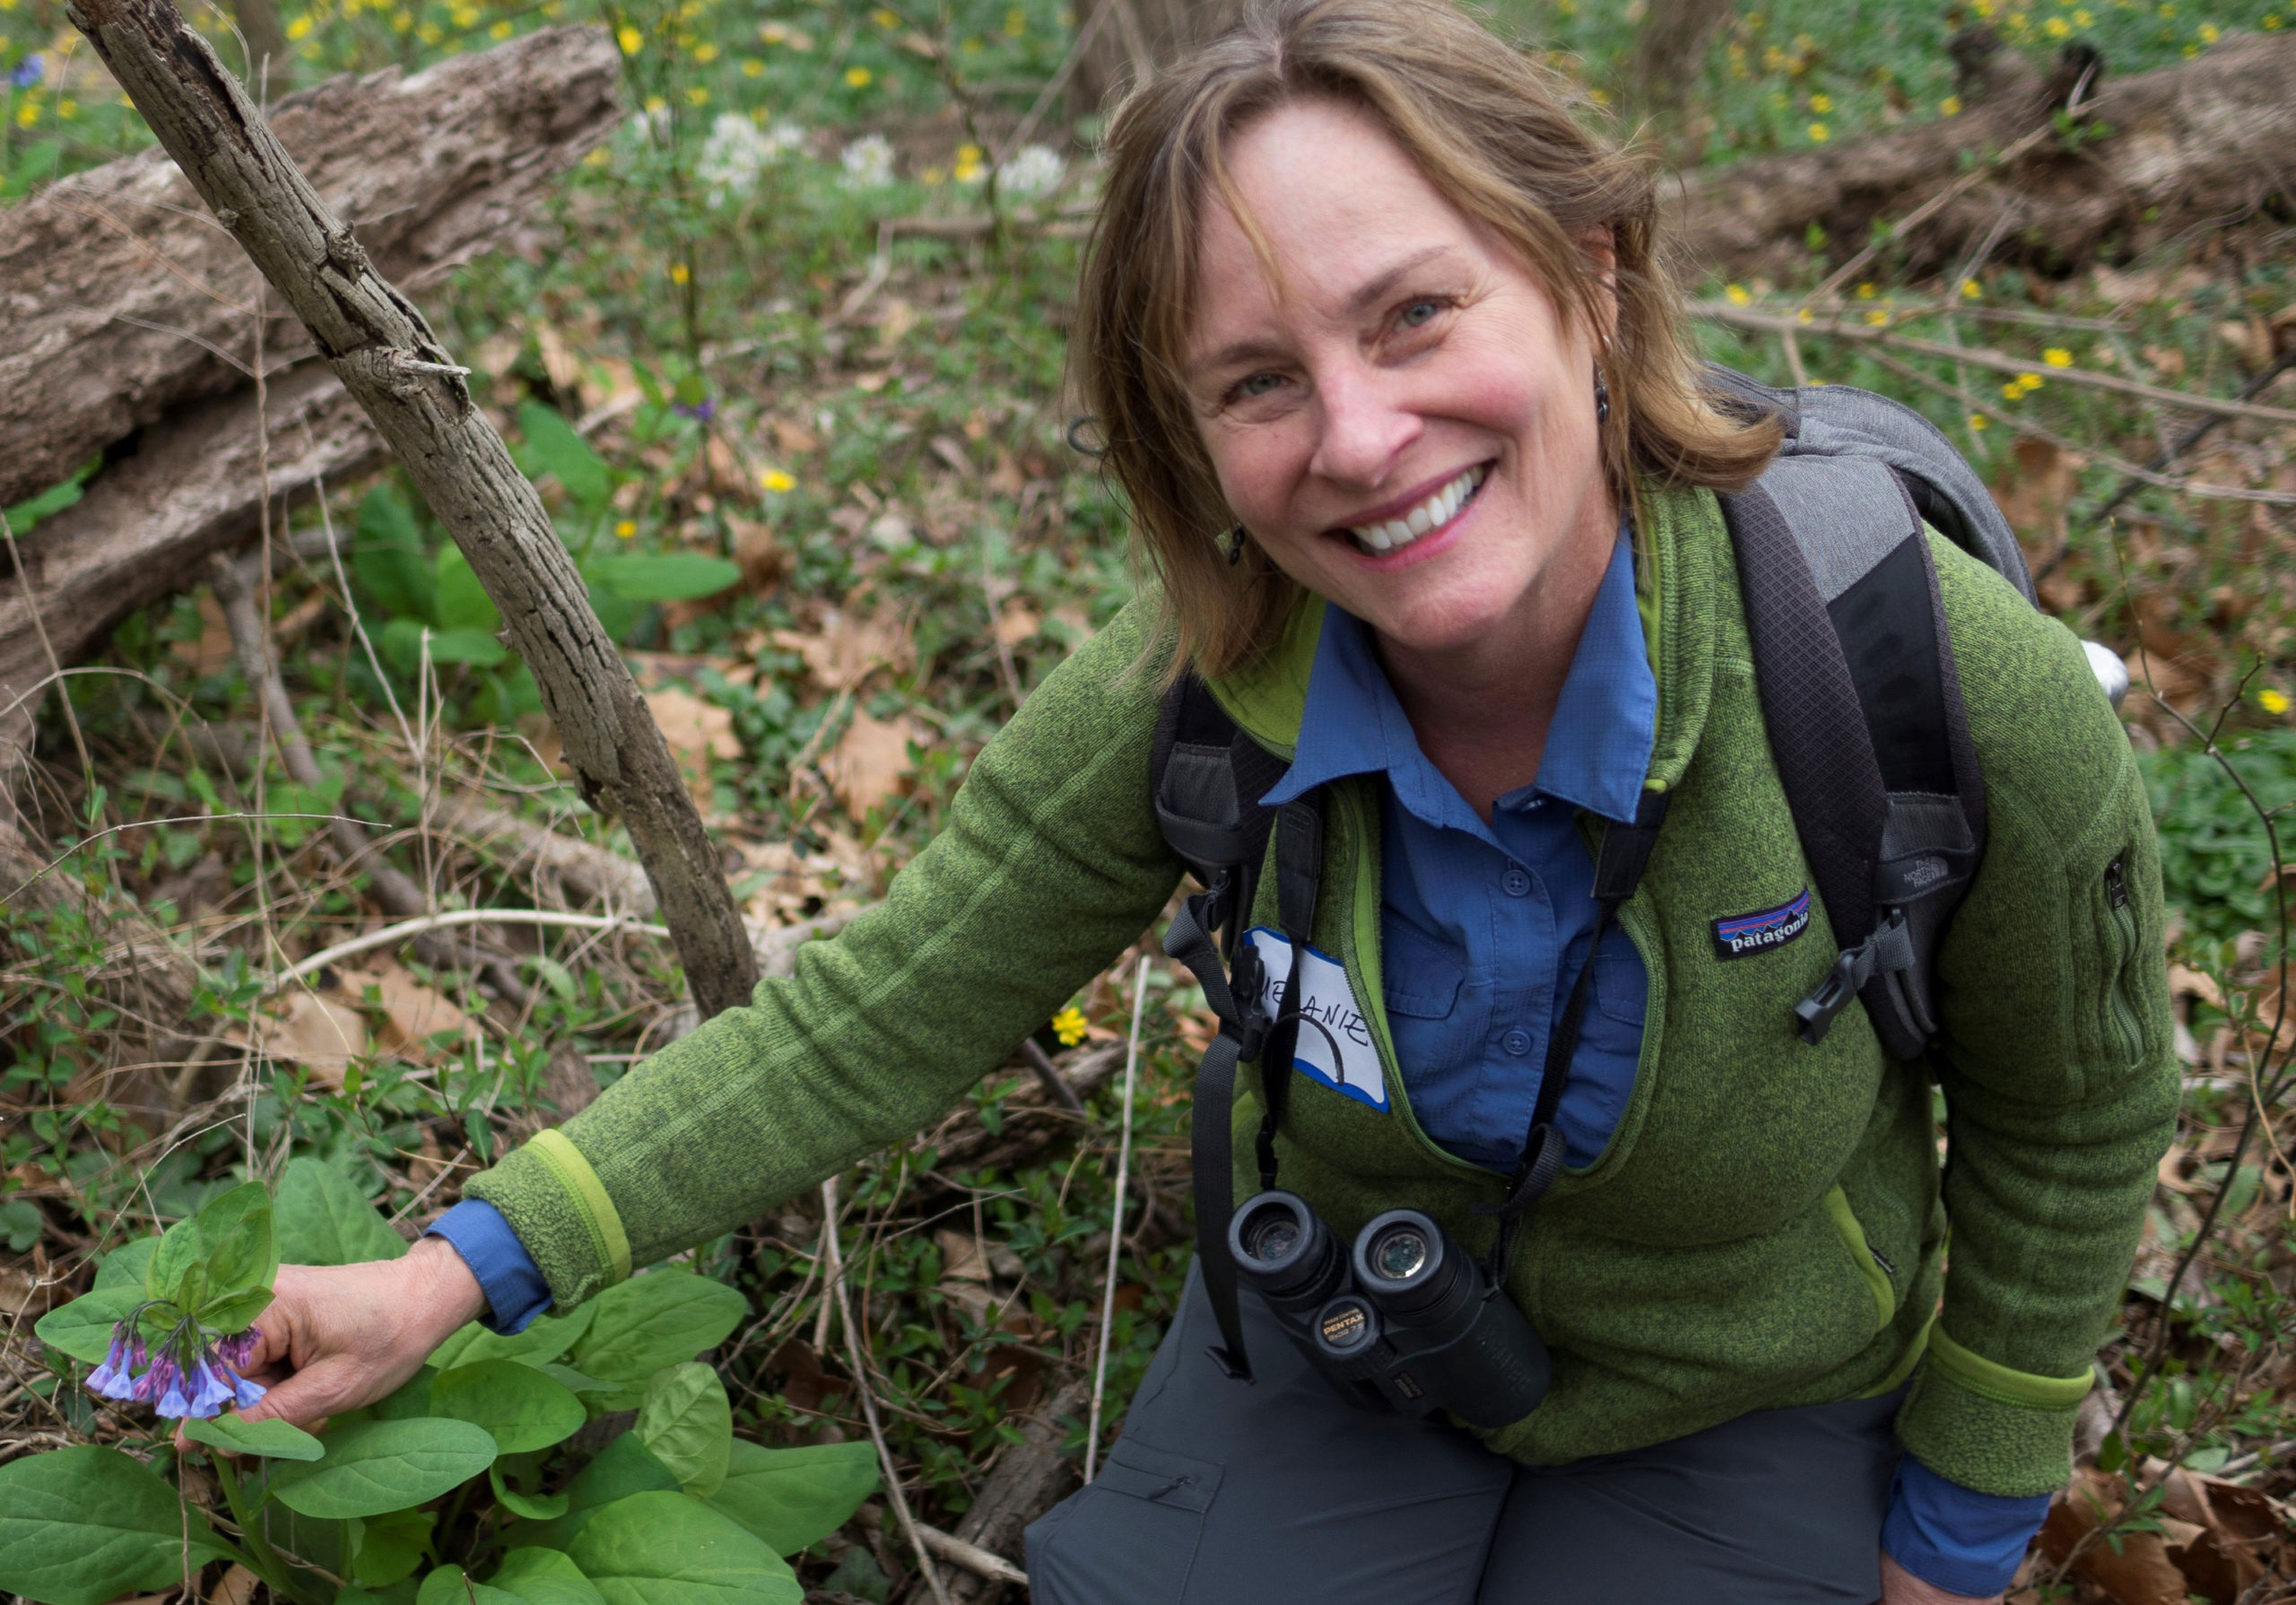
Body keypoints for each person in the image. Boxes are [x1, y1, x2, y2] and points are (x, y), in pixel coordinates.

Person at [220, 0, 2178, 1599]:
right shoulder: (1190, 689)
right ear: (1191, 438)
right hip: (1343, 1342)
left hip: (1746, 1386)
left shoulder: (1898, 662)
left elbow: (2077, 1110)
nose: (1354, 434)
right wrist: (445, 1271)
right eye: (1255, 382)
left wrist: (1960, 1524)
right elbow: (881, 1004)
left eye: (1413, 314)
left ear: (1583, 276)